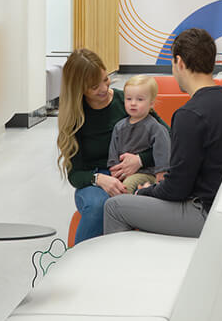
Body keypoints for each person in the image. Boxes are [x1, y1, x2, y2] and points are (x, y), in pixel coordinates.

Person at [103, 27, 222, 238]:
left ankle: (120, 270)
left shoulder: (189, 114)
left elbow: (177, 188)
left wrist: (145, 191)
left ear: (180, 62)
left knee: (114, 207)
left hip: (208, 213)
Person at [56, 49, 164, 244]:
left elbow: (168, 137)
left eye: (105, 79)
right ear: (79, 89)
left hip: (139, 172)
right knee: (99, 206)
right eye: (94, 86)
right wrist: (99, 179)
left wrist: (140, 159)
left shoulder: (128, 101)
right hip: (96, 180)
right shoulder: (75, 118)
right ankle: (78, 266)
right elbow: (75, 174)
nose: (104, 88)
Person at [109, 75, 171, 193]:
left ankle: (124, 210)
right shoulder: (119, 127)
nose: (133, 103)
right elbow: (113, 151)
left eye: (139, 99)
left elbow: (163, 152)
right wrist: (114, 169)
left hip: (147, 174)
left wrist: (161, 173)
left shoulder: (155, 127)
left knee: (127, 186)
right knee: (114, 187)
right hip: (123, 173)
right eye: (129, 99)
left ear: (151, 103)